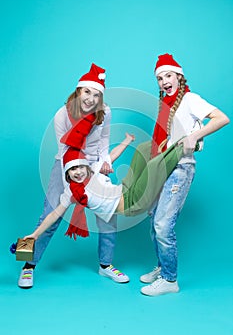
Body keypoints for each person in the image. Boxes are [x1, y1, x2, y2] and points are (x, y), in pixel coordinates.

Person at [18, 63, 130, 288]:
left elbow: (104, 142)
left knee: (108, 215)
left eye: (96, 94)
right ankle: (28, 266)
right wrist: (73, 182)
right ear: (78, 91)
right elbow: (63, 149)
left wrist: (104, 163)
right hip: (67, 164)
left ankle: (105, 265)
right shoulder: (63, 114)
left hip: (94, 165)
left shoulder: (105, 112)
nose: (91, 98)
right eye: (87, 92)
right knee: (50, 215)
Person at [139, 53, 230, 297]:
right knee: (153, 217)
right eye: (159, 78)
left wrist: (194, 136)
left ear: (178, 76)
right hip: (161, 168)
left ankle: (170, 279)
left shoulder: (189, 99)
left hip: (180, 168)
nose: (163, 81)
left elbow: (222, 118)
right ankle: (162, 267)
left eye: (167, 75)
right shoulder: (166, 105)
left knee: (162, 223)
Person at [23, 136, 184, 248]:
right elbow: (54, 214)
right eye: (72, 170)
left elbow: (112, 155)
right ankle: (186, 145)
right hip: (132, 203)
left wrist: (127, 141)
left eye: (79, 167)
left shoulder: (93, 170)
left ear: (85, 166)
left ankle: (170, 138)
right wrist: (35, 234)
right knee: (152, 167)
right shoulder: (71, 194)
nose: (77, 172)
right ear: (67, 173)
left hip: (125, 188)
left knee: (143, 148)